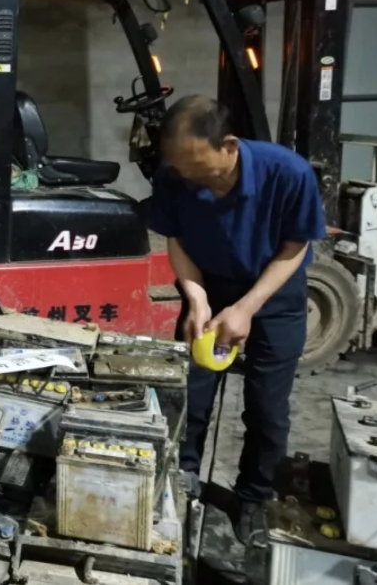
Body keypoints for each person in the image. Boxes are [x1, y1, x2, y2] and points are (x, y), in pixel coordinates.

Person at [148, 95, 325, 545]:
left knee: (267, 407)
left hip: (274, 294)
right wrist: (196, 298)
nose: (189, 178)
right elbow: (176, 240)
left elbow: (295, 247)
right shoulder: (173, 175)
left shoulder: (288, 173)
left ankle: (254, 498)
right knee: (189, 396)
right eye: (180, 169)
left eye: (198, 167)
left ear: (228, 145)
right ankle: (181, 479)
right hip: (208, 285)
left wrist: (247, 307)